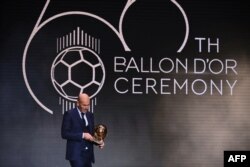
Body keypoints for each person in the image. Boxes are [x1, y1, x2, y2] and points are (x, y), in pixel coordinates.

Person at [61, 93, 104, 167]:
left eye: (88, 105)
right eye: (84, 105)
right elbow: (64, 134)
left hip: (88, 155)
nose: (86, 107)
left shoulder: (90, 115)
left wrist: (98, 142)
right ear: (77, 103)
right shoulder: (69, 114)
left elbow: (91, 135)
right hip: (76, 154)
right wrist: (82, 135)